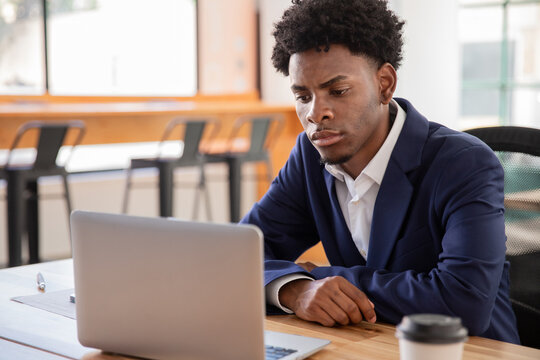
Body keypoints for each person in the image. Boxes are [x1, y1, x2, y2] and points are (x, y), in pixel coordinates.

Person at [240, 0, 520, 344]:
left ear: (385, 84)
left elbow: (464, 302)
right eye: (302, 95)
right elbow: (240, 255)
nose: (316, 113)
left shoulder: (464, 163)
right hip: (368, 346)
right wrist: (294, 290)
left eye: (337, 91)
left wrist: (323, 279)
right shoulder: (308, 157)